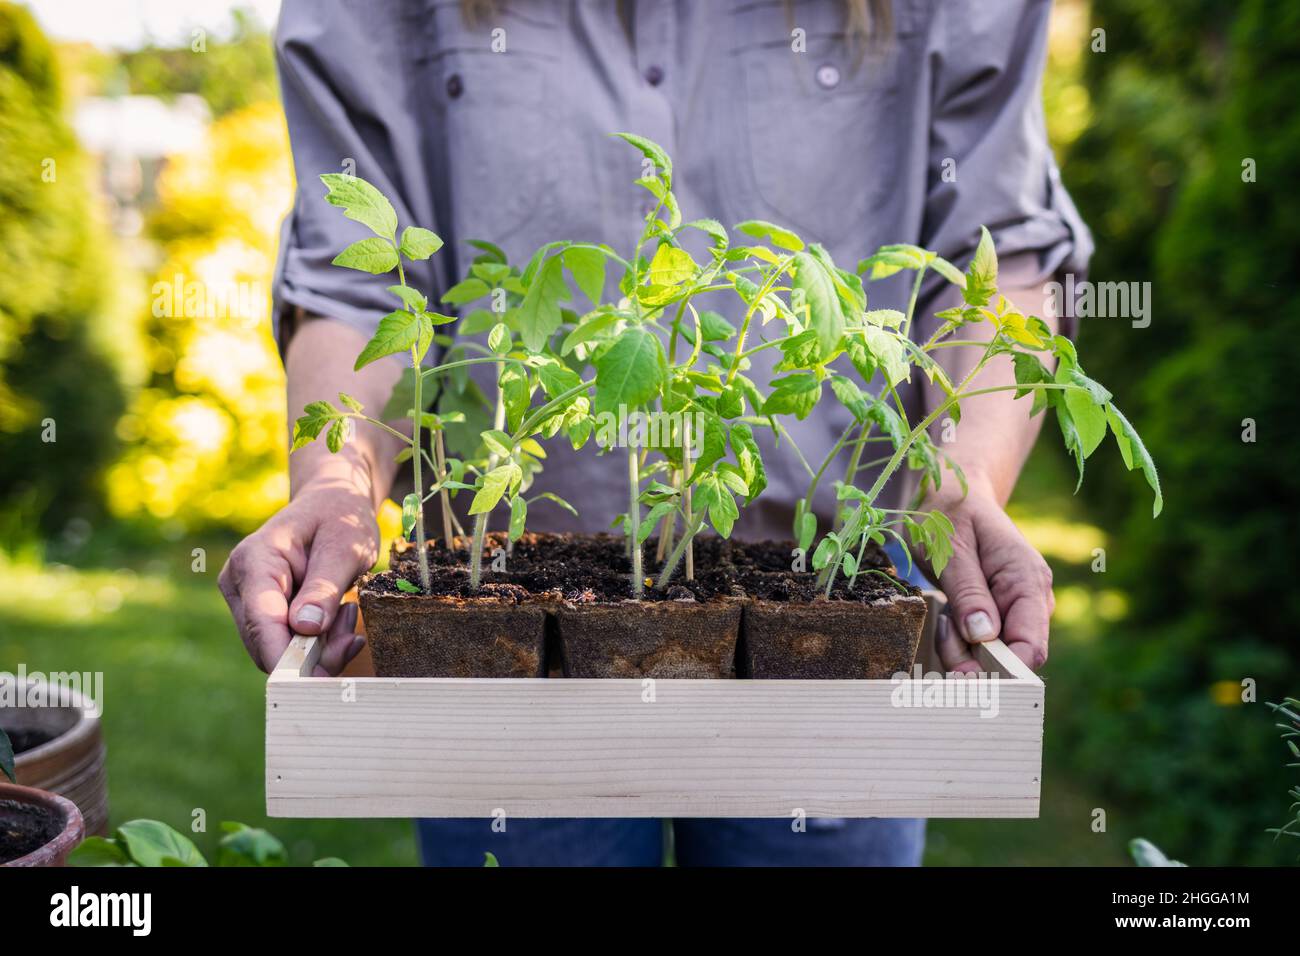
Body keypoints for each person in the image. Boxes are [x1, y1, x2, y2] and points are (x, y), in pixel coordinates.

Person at [220, 0, 1087, 866]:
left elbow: (999, 252)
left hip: (832, 591)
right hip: (497, 619)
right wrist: (339, 483)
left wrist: (962, 477)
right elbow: (355, 278)